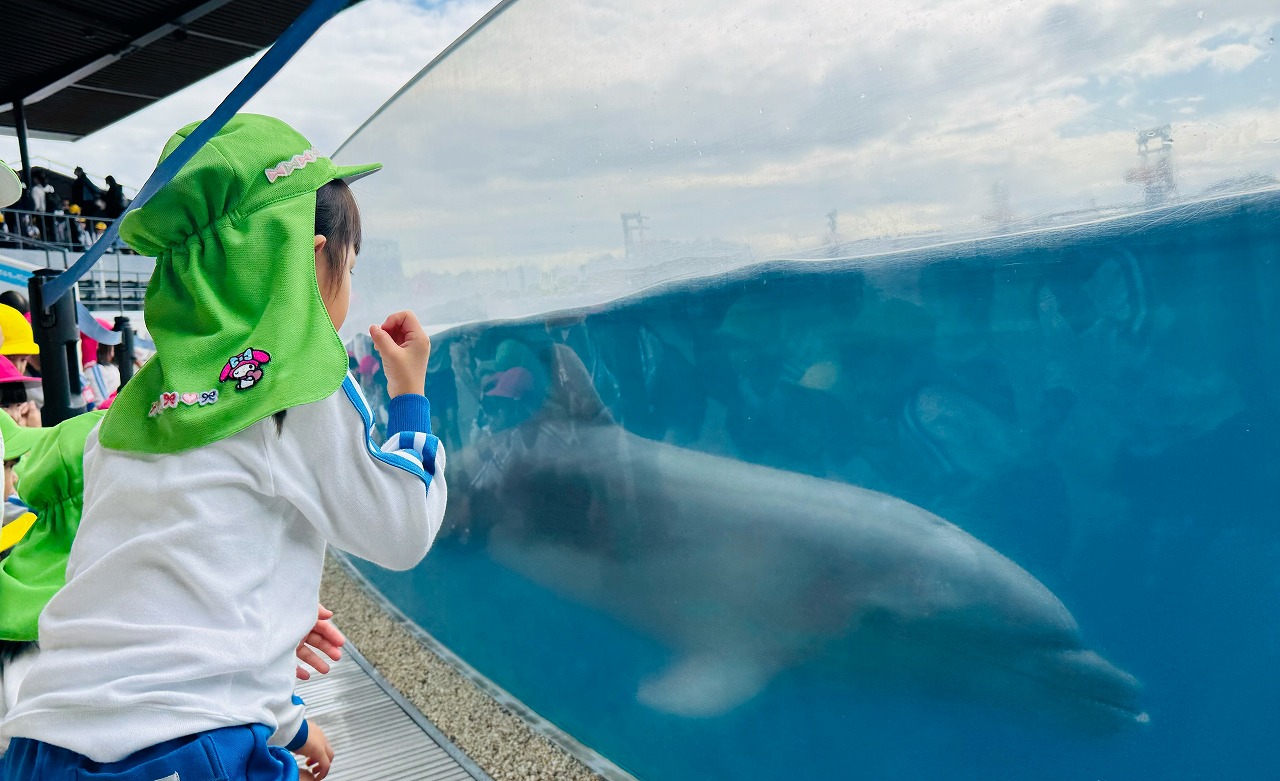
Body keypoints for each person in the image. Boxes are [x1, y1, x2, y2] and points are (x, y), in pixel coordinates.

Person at [0, 114, 447, 781]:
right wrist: (410, 398)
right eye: (348, 267)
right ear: (308, 260)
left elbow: (156, 592)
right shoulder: (295, 384)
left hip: (41, 746)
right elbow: (401, 526)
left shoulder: (133, 406)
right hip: (185, 749)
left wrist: (290, 720)